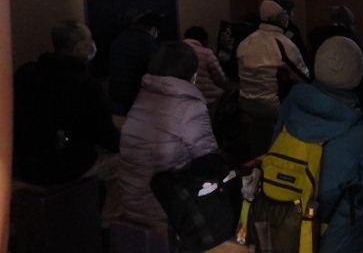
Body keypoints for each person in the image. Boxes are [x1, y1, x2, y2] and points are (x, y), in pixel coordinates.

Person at [271, 36, 363, 253]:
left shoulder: (290, 105)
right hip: (336, 239)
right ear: (359, 74)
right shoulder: (361, 128)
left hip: (281, 222)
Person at [13, 19, 122, 221]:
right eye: (90, 40)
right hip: (63, 166)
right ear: (80, 47)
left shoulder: (25, 72)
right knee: (126, 163)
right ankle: (111, 224)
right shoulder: (86, 84)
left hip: (23, 163)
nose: (93, 44)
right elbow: (106, 136)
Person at [119, 41, 219, 224]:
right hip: (166, 206)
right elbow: (208, 160)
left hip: (130, 199)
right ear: (191, 70)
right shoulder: (190, 105)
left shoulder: (144, 95)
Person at [237, 0, 310, 122]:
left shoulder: (245, 41)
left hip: (245, 103)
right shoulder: (284, 44)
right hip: (274, 108)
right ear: (278, 17)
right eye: (287, 13)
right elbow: (303, 78)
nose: (289, 16)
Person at [307, 4, 363, 119]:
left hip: (320, 87)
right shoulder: (351, 40)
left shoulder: (319, 37)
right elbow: (361, 64)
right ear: (350, 22)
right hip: (350, 93)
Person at [108, 11, 161, 116]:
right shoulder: (147, 42)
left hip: (116, 92)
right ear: (154, 29)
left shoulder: (121, 37)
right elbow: (154, 70)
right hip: (135, 93)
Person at [183, 26, 227, 105]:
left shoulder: (175, 52)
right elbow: (220, 79)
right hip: (207, 98)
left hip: (184, 97)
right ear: (204, 40)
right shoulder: (206, 53)